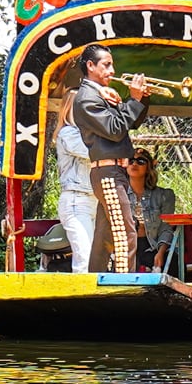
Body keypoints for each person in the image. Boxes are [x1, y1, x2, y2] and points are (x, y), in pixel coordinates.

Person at [72, 43, 149, 272]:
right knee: (126, 231)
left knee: (105, 236)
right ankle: (126, 285)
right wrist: (133, 100)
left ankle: (94, 281)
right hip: (108, 174)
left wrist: (142, 100)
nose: (112, 70)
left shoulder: (101, 94)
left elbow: (131, 122)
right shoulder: (86, 98)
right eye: (106, 65)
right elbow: (115, 129)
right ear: (90, 66)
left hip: (115, 173)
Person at [53, 89, 98, 273]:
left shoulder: (87, 134)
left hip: (93, 200)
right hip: (76, 201)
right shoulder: (68, 133)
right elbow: (91, 153)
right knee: (84, 260)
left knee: (96, 259)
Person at [122, 147, 177, 275]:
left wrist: (161, 252)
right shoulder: (119, 194)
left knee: (173, 261)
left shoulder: (164, 195)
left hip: (153, 246)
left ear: (149, 167)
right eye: (131, 160)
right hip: (126, 248)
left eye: (141, 161)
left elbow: (166, 228)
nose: (134, 164)